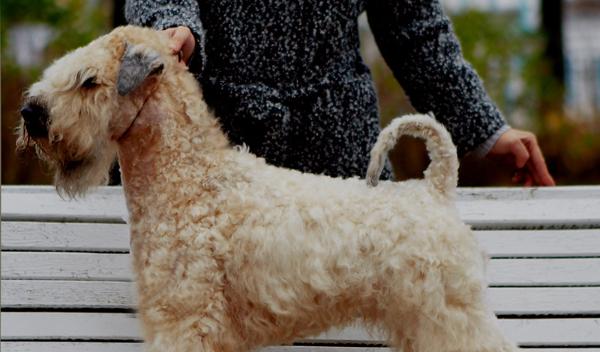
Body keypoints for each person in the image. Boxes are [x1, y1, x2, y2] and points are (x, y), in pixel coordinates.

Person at [124, 0, 555, 186]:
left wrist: (485, 129)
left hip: (340, 158)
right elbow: (161, 1)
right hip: (215, 145)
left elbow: (415, 31)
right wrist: (170, 27)